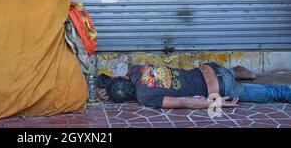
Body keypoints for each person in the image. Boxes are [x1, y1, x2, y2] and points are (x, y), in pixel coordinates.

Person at [97, 62, 291, 109]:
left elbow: (183, 101)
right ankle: (240, 71)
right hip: (209, 68)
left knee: (271, 93)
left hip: (221, 88)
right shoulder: (136, 70)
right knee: (227, 72)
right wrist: (109, 86)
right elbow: (120, 77)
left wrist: (215, 103)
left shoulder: (145, 97)